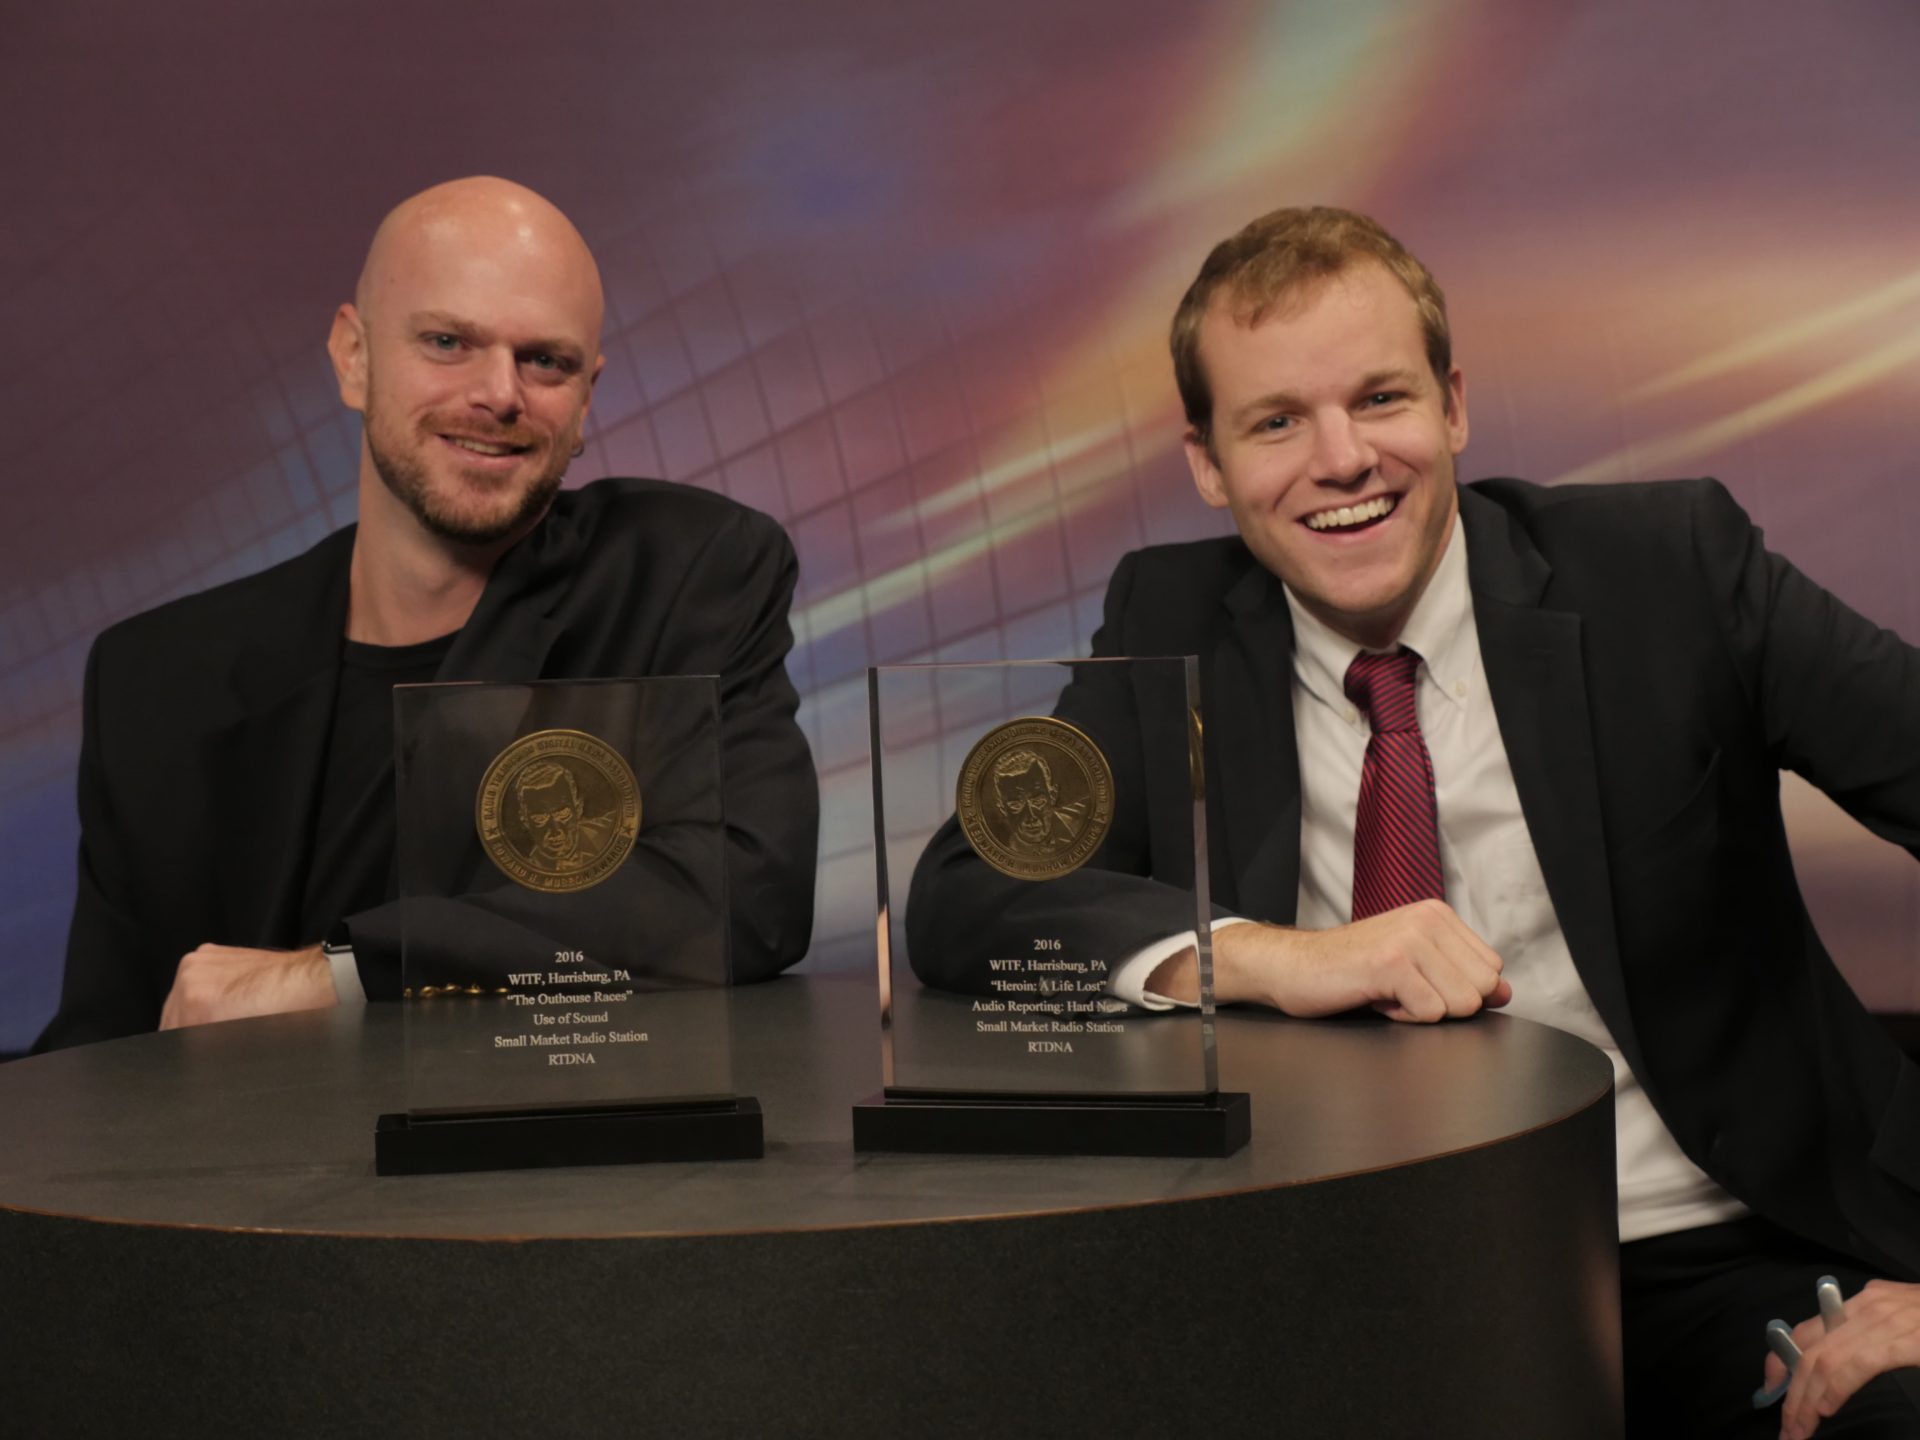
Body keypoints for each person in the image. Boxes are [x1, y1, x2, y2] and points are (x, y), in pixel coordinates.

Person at [907, 206, 1920, 1435]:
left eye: (1379, 399)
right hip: (1335, 1282)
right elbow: (969, 890)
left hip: (1724, 1264)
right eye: (1275, 421)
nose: (1340, 461)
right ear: (1208, 463)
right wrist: (1281, 957)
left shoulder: (1670, 567)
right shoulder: (1166, 620)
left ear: (1452, 406)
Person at [36, 176, 818, 1050]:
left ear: (588, 398)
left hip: (565, 1172)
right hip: (242, 1180)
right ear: (353, 357)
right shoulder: (157, 678)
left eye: (546, 361)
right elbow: (92, 1065)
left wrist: (339, 975)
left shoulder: (687, 574)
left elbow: (745, 895)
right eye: (448, 341)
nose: (500, 394)